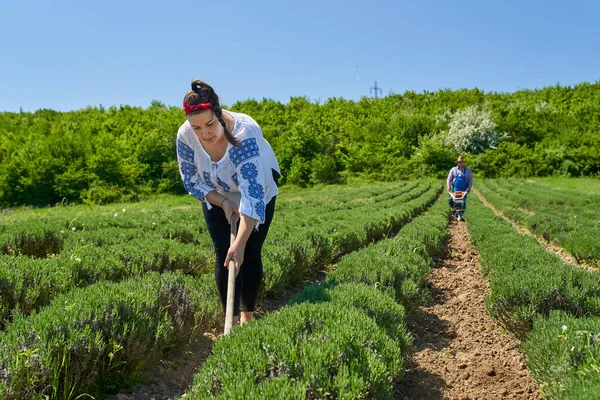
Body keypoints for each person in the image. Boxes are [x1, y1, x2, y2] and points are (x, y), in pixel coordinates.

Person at [176, 79, 281, 326]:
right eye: (197, 128)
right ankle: (229, 323)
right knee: (224, 253)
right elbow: (191, 181)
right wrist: (222, 202)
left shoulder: (244, 134)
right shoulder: (186, 136)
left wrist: (241, 242)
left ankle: (247, 318)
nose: (205, 134)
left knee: (249, 251)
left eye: (210, 124)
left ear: (219, 114)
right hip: (216, 191)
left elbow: (253, 197)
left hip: (256, 188)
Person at [446, 155, 473, 221]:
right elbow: (449, 179)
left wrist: (469, 187)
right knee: (457, 202)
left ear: (463, 163)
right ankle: (456, 215)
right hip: (456, 188)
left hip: (464, 189)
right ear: (457, 163)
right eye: (459, 162)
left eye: (461, 162)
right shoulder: (453, 169)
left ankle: (460, 215)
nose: (460, 163)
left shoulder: (467, 170)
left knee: (463, 202)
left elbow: (470, 180)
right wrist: (448, 187)